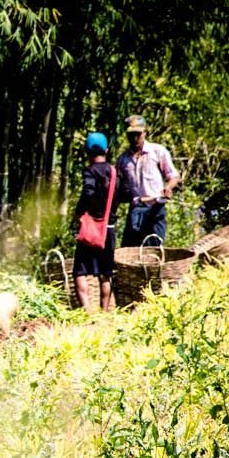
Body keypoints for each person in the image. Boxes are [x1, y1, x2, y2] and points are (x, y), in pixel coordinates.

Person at [71, 132, 132, 312]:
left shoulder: (89, 171)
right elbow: (127, 194)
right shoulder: (115, 173)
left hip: (90, 230)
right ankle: (104, 312)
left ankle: (86, 310)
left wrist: (78, 213)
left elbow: (88, 192)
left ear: (87, 152)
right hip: (108, 229)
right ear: (106, 150)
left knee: (79, 271)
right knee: (106, 273)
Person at [116, 115, 180, 247]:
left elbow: (173, 175)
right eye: (131, 134)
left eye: (138, 134)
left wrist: (168, 188)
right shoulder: (123, 159)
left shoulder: (157, 151)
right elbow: (119, 186)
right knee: (130, 250)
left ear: (144, 133)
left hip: (155, 207)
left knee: (153, 249)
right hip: (136, 209)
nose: (135, 138)